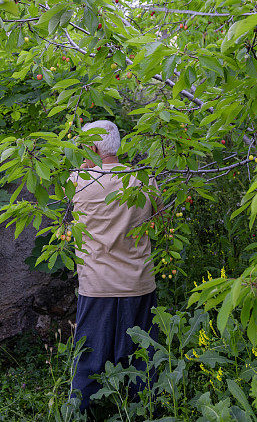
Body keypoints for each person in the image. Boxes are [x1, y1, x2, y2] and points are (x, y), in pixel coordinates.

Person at [68, 120, 162, 414]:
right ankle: (145, 413)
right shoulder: (142, 178)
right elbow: (158, 217)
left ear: (93, 148)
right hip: (138, 282)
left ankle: (81, 414)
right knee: (143, 360)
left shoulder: (78, 181)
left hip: (97, 286)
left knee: (88, 362)